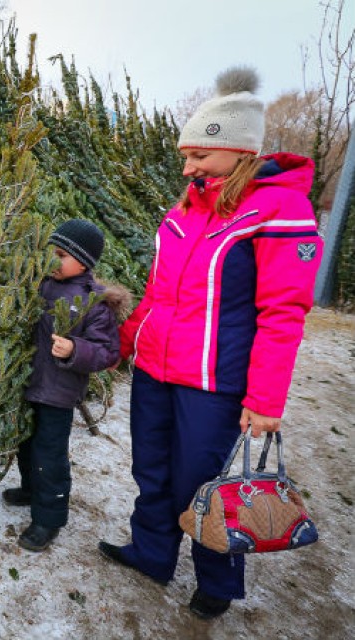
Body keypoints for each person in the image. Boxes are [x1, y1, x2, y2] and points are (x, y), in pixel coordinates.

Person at [97, 67, 323, 619]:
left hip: (214, 384)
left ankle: (217, 583)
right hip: (155, 372)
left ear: (238, 151)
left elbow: (282, 314)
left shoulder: (279, 212)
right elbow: (156, 296)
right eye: (186, 156)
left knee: (203, 485)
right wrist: (120, 347)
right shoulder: (181, 213)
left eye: (199, 155)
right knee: (152, 471)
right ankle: (151, 554)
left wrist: (264, 400)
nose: (188, 167)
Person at [0, 219, 126, 552]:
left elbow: (107, 352)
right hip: (28, 383)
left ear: (83, 262)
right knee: (26, 445)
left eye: (61, 255)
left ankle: (48, 519)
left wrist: (75, 350)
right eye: (51, 252)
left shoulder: (93, 302)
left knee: (50, 455)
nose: (52, 260)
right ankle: (30, 489)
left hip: (57, 393)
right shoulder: (40, 285)